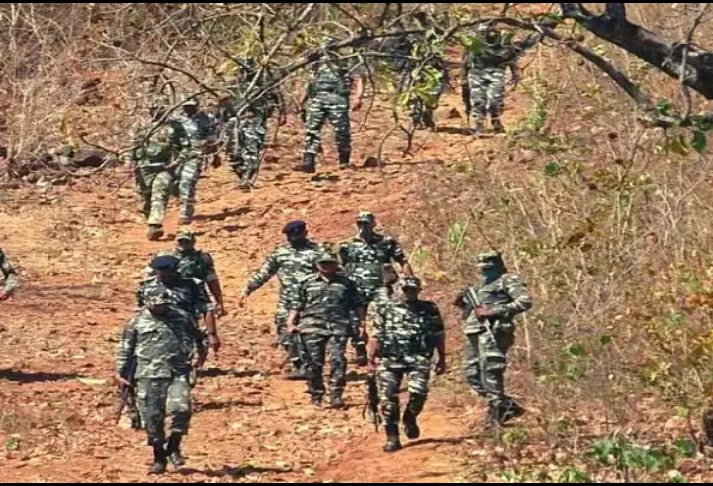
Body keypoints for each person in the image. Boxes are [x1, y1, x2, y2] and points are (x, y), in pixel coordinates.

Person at [115, 291, 207, 474]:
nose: (160, 308)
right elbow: (126, 348)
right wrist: (120, 372)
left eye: (163, 305)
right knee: (152, 419)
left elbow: (198, 335)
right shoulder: (136, 321)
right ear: (148, 303)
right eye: (156, 305)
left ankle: (173, 445)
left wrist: (202, 352)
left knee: (182, 409)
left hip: (177, 372)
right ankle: (159, 457)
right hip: (147, 376)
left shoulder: (182, 317)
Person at [368, 277, 447, 452]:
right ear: (399, 289)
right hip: (390, 358)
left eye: (413, 290)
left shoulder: (429, 308)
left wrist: (442, 357)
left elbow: (439, 334)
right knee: (388, 399)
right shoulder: (385, 308)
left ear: (418, 291)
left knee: (419, 393)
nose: (409, 293)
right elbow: (376, 335)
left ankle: (410, 418)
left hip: (418, 358)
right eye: (405, 289)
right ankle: (392, 437)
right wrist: (371, 359)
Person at [454, 251, 533, 427]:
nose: (485, 271)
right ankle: (507, 405)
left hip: (494, 332)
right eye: (482, 268)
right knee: (471, 374)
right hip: (474, 332)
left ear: (498, 265)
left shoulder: (507, 280)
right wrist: (462, 302)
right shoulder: (480, 286)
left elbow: (525, 301)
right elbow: (469, 312)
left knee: (491, 371)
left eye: (489, 267)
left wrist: (493, 311)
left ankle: (496, 414)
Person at [239, 221, 322, 378]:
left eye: (296, 235)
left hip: (311, 300)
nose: (293, 239)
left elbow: (331, 272)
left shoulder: (318, 252)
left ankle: (310, 366)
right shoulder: (281, 253)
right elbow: (265, 272)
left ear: (305, 233)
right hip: (287, 300)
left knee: (310, 333)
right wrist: (248, 289)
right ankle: (299, 364)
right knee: (284, 331)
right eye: (290, 236)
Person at [285, 250, 367, 408]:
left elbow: (358, 305)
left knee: (338, 360)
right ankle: (316, 394)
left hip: (338, 327)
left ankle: (336, 395)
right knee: (314, 363)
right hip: (311, 327)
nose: (327, 266)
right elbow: (296, 304)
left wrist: (362, 324)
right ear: (317, 265)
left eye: (331, 263)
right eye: (324, 263)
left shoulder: (347, 283)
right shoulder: (306, 282)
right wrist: (290, 322)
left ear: (336, 265)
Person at [339, 212, 414, 366]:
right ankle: (360, 349)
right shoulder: (347, 245)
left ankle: (382, 349)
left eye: (366, 223)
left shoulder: (386, 242)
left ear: (373, 224)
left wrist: (410, 281)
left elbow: (402, 261)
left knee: (384, 315)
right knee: (355, 319)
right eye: (360, 223)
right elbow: (341, 266)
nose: (363, 226)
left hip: (380, 286)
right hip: (356, 288)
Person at [296, 39, 366, 173]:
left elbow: (359, 79)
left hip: (337, 99)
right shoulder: (317, 62)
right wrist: (302, 100)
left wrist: (358, 97)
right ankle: (308, 160)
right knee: (312, 129)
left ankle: (344, 161)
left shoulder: (345, 61)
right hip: (317, 99)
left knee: (341, 131)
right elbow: (310, 82)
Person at [218, 57, 285, 189]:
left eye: (249, 70)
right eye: (243, 70)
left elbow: (277, 95)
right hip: (235, 123)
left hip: (255, 121)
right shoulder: (233, 86)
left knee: (251, 151)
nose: (246, 73)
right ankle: (243, 177)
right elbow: (223, 107)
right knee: (233, 154)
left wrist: (282, 113)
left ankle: (247, 180)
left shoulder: (263, 86)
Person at [129, 104, 189, 241]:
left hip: (164, 167)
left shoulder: (174, 127)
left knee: (159, 193)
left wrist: (176, 162)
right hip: (143, 168)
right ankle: (150, 221)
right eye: (154, 108)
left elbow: (186, 147)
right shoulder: (140, 125)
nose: (157, 111)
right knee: (145, 198)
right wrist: (129, 162)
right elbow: (131, 145)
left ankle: (155, 224)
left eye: (160, 108)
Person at [137, 255, 218, 354]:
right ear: (156, 272)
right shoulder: (146, 286)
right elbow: (142, 311)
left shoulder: (191, 285)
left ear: (176, 271)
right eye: (163, 274)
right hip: (154, 335)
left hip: (185, 334)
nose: (167, 276)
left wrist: (212, 334)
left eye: (170, 273)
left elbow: (207, 309)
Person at [461, 26, 522, 134]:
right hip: (476, 73)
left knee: (495, 100)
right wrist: (463, 77)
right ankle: (479, 125)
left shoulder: (503, 41)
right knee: (478, 100)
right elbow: (466, 59)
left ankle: (495, 119)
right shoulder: (475, 41)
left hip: (496, 72)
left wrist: (515, 72)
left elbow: (510, 57)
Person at [176, 98, 218, 225]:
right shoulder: (177, 119)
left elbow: (212, 140)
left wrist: (215, 156)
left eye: (191, 106)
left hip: (196, 155)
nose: (188, 109)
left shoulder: (205, 119)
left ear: (197, 106)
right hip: (177, 155)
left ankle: (185, 214)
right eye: (186, 106)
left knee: (187, 181)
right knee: (175, 183)